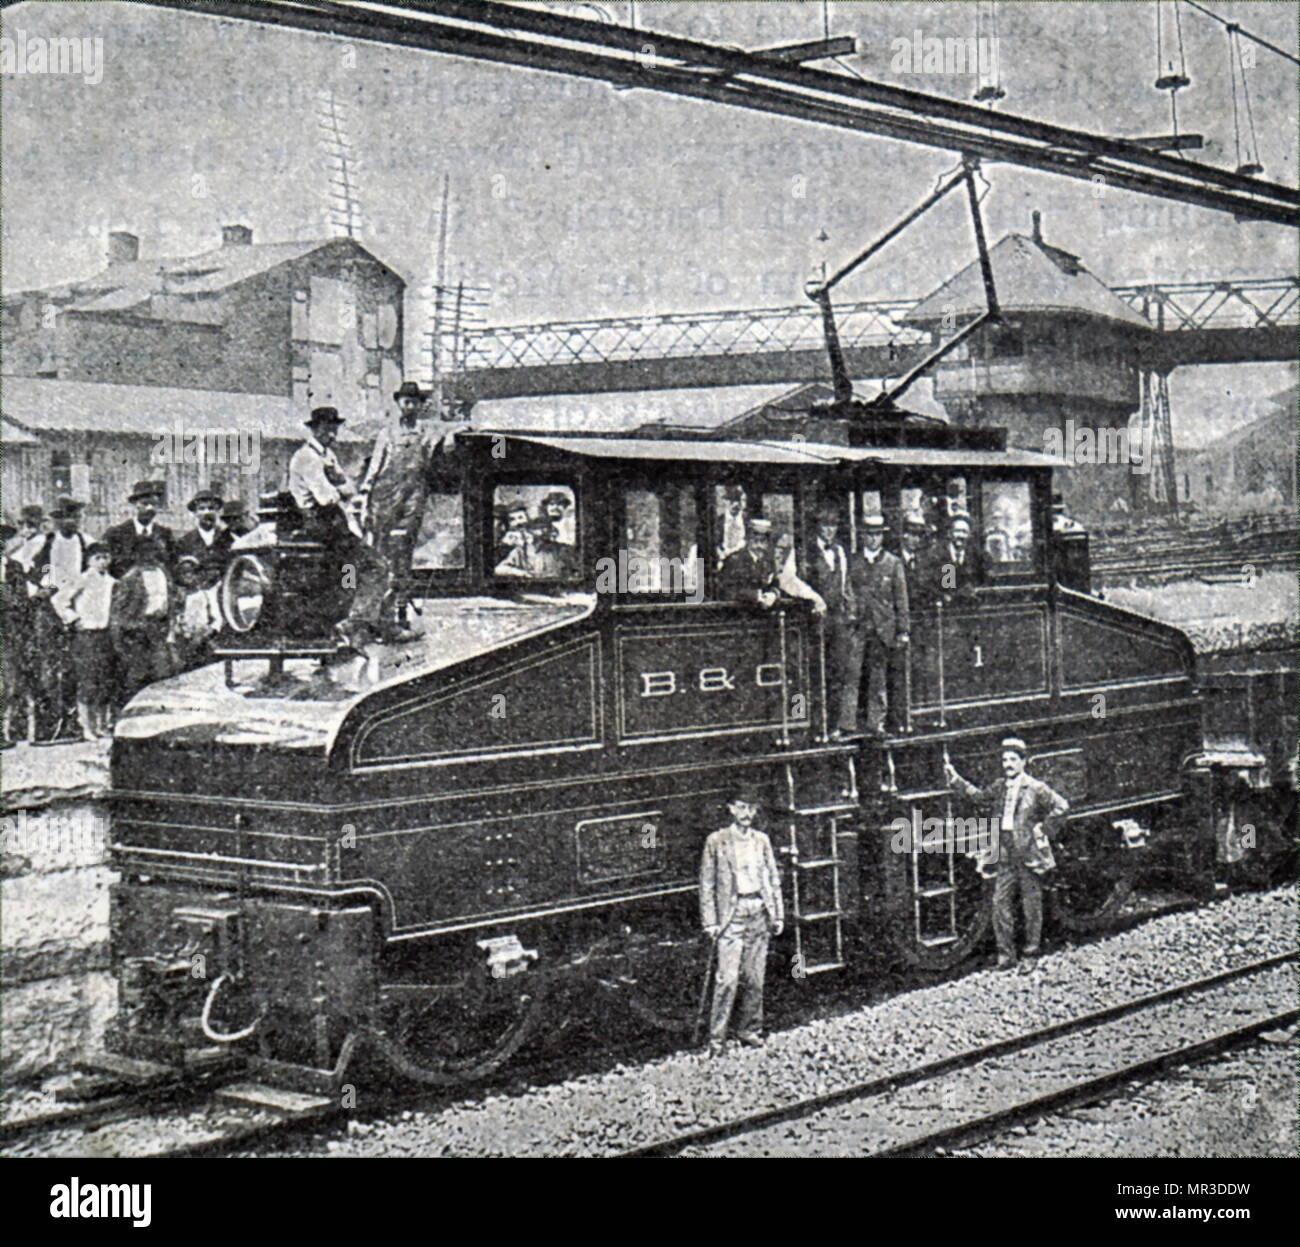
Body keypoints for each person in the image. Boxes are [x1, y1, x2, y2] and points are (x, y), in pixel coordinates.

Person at [944, 737, 1070, 968]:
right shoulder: (1000, 787)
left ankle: (1031, 954)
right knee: (1000, 904)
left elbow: (1061, 806)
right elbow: (978, 797)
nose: (1008, 764)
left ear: (1023, 762)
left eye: (1013, 759)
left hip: (1028, 854)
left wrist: (1043, 829)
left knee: (1031, 906)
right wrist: (955, 779)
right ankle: (1006, 956)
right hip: (1005, 854)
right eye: (1005, 760)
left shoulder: (1035, 788)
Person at [288, 406, 396, 648]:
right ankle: (354, 623)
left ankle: (353, 626)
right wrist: (341, 491)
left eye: (334, 430)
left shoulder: (327, 455)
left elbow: (347, 486)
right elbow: (327, 497)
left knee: (351, 571)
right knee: (377, 566)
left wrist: (343, 489)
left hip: (333, 521)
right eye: (327, 430)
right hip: (322, 523)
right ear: (314, 429)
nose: (332, 435)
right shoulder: (307, 457)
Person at [699, 783, 784, 1055]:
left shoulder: (762, 841)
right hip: (731, 917)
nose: (746, 813)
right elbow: (707, 883)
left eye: (751, 808)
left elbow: (772, 879)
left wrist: (777, 914)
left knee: (755, 979)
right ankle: (717, 1039)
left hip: (758, 911)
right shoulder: (717, 840)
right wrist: (710, 921)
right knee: (727, 980)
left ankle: (750, 1031)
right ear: (731, 809)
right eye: (741, 807)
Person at [359, 381, 434, 629]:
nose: (410, 406)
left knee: (404, 552)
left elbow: (444, 441)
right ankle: (377, 613)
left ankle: (400, 609)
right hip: (385, 496)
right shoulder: (387, 434)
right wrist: (365, 491)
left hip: (413, 495)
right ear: (399, 403)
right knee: (380, 554)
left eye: (414, 402)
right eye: (406, 401)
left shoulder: (426, 433)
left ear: (421, 405)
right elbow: (375, 465)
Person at [27, 497, 91, 743]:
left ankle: (70, 723)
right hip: (50, 612)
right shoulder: (47, 545)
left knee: (72, 668)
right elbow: (40, 577)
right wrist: (47, 588)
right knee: (49, 669)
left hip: (76, 611)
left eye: (75, 516)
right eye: (65, 516)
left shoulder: (85, 543)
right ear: (56, 520)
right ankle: (48, 726)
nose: (71, 521)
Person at [842, 515, 909, 739]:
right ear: (862, 536)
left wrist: (903, 629)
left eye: (877, 534)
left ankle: (876, 723)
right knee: (852, 674)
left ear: (882, 536)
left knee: (878, 677)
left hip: (883, 629)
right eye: (869, 534)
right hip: (859, 627)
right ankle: (848, 724)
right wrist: (851, 617)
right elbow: (848, 591)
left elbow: (901, 598)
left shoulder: (893, 562)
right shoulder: (854, 562)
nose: (873, 539)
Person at [52, 542, 116, 740]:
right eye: (98, 558)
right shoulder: (82, 579)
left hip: (106, 634)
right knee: (88, 679)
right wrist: (73, 618)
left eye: (106, 557)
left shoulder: (113, 581)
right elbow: (59, 600)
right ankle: (86, 726)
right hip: (86, 635)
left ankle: (102, 725)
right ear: (89, 560)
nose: (102, 562)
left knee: (104, 679)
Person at [804, 506, 856, 737]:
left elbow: (846, 585)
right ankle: (816, 725)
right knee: (815, 673)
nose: (829, 530)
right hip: (817, 620)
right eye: (825, 525)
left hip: (839, 621)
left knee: (839, 674)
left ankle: (834, 724)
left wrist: (849, 610)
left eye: (833, 526)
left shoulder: (841, 552)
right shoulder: (807, 552)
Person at [110, 536, 181, 696]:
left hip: (160, 627)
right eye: (144, 552)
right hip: (138, 630)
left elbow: (170, 599)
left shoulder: (162, 572)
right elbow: (118, 611)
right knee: (138, 674)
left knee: (163, 672)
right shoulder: (130, 577)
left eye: (152, 551)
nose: (149, 555)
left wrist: (170, 623)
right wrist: (132, 627)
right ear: (136, 554)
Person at [718, 516, 826, 616]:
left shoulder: (767, 562)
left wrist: (774, 594)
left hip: (762, 619)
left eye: (763, 541)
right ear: (747, 541)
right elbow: (726, 590)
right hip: (737, 619)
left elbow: (776, 584)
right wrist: (756, 596)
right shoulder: (734, 561)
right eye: (755, 541)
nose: (759, 546)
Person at [1, 523, 37, 747]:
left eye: (2, 539)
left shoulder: (14, 567)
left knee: (10, 679)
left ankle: (9, 729)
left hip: (11, 629)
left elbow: (23, 597)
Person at [104, 480, 175, 579]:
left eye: (154, 504)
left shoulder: (165, 535)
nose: (150, 508)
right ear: (135, 504)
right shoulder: (116, 534)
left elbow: (172, 566)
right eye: (145, 504)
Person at [169, 555, 223, 672]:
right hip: (183, 643)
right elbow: (172, 622)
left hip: (203, 641)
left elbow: (217, 620)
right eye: (183, 572)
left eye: (191, 572)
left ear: (198, 574)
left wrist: (205, 633)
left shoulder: (206, 595)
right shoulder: (177, 598)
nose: (188, 576)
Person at [174, 488, 230, 590]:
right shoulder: (185, 542)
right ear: (195, 513)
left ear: (217, 511)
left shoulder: (227, 538)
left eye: (211, 508)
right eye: (202, 509)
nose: (206, 513)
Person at [933, 512, 974, 597]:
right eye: (957, 531)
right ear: (950, 533)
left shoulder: (976, 556)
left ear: (969, 535)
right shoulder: (937, 555)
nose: (961, 535)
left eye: (964, 532)